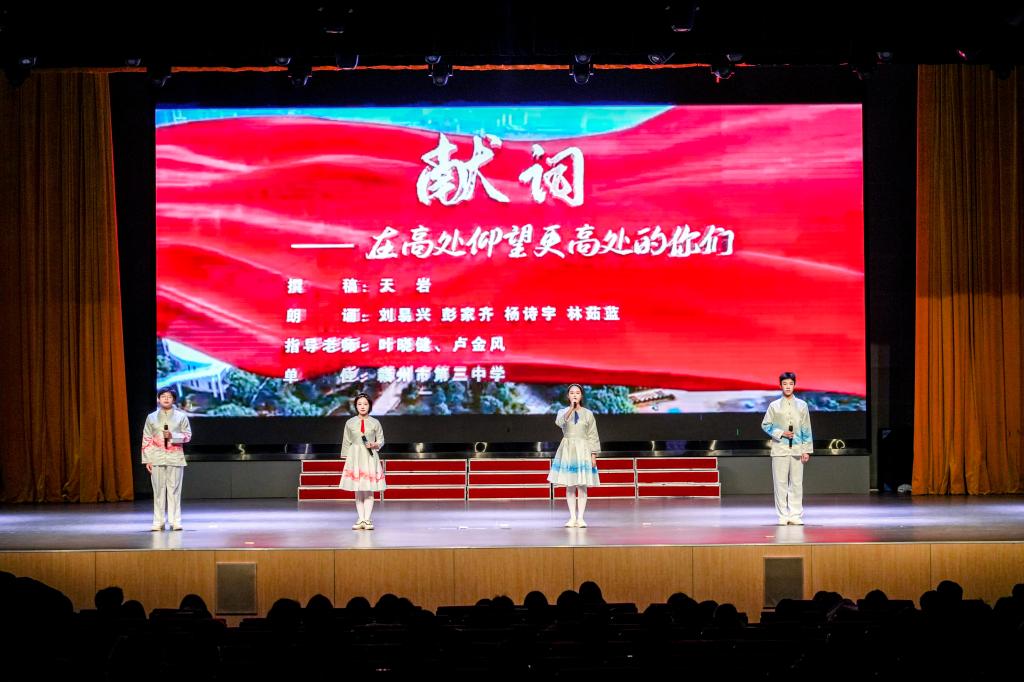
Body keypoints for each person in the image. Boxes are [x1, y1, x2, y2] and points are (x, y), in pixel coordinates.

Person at [761, 371, 813, 525]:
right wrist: (781, 433)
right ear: (780, 386)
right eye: (785, 384)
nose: (788, 387)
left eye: (790, 384)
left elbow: (806, 429)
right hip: (779, 449)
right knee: (780, 483)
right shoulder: (774, 405)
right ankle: (783, 515)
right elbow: (765, 424)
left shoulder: (802, 405)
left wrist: (806, 450)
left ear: (794, 385)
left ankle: (795, 515)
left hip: (797, 449)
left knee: (796, 483)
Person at [548, 384, 601, 527]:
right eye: (572, 393)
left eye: (577, 393)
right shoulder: (562, 412)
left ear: (581, 395)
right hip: (568, 449)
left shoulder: (588, 413)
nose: (575, 395)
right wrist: (571, 408)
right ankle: (572, 518)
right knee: (570, 484)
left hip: (583, 449)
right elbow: (560, 423)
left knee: (582, 485)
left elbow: (593, 435)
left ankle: (581, 518)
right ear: (568, 396)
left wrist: (593, 455)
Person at [142, 389, 192, 531]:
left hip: (175, 457)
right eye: (163, 396)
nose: (166, 399)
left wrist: (172, 436)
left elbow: (187, 436)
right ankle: (158, 522)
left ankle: (175, 521)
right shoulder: (151, 417)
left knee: (174, 490)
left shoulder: (181, 417)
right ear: (158, 399)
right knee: (158, 491)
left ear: (173, 400)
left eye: (169, 397)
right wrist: (147, 459)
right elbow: (146, 438)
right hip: (156, 457)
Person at [340, 393, 385, 530]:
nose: (362, 406)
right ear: (356, 406)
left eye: (365, 404)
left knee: (369, 488)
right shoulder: (350, 422)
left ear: (369, 406)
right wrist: (346, 458)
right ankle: (361, 519)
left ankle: (367, 519)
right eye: (359, 404)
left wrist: (374, 444)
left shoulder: (375, 422)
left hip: (369, 457)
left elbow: (381, 440)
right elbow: (346, 441)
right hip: (355, 457)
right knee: (358, 489)